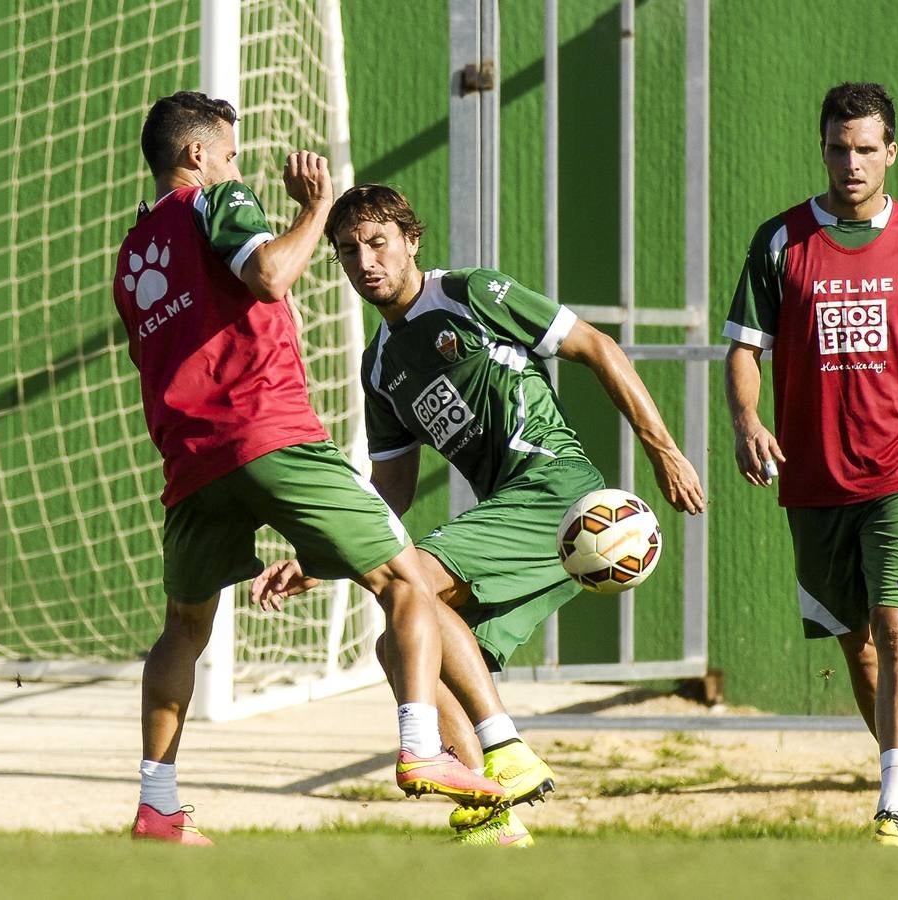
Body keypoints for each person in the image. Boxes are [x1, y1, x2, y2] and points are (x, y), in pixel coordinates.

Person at [253, 183, 704, 847]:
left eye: (377, 243)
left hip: (555, 489)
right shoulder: (378, 367)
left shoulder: (468, 294)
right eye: (347, 251)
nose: (364, 262)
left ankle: (505, 747)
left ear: (411, 240)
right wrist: (323, 558)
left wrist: (664, 452)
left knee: (411, 588)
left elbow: (598, 346)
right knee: (399, 642)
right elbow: (391, 495)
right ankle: (488, 817)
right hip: (512, 516)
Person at [111, 92, 505, 845]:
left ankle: (156, 806)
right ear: (195, 155)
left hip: (190, 460)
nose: (234, 163)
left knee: (183, 630)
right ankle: (423, 747)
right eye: (227, 151)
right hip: (268, 434)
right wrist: (315, 209)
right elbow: (271, 275)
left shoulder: (133, 253)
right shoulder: (216, 200)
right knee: (406, 581)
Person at [723, 82, 898, 847]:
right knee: (859, 647)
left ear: (890, 153)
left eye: (866, 149)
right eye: (839, 148)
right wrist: (745, 418)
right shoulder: (779, 243)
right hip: (812, 480)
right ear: (823, 150)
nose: (852, 162)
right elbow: (745, 348)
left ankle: (887, 809)